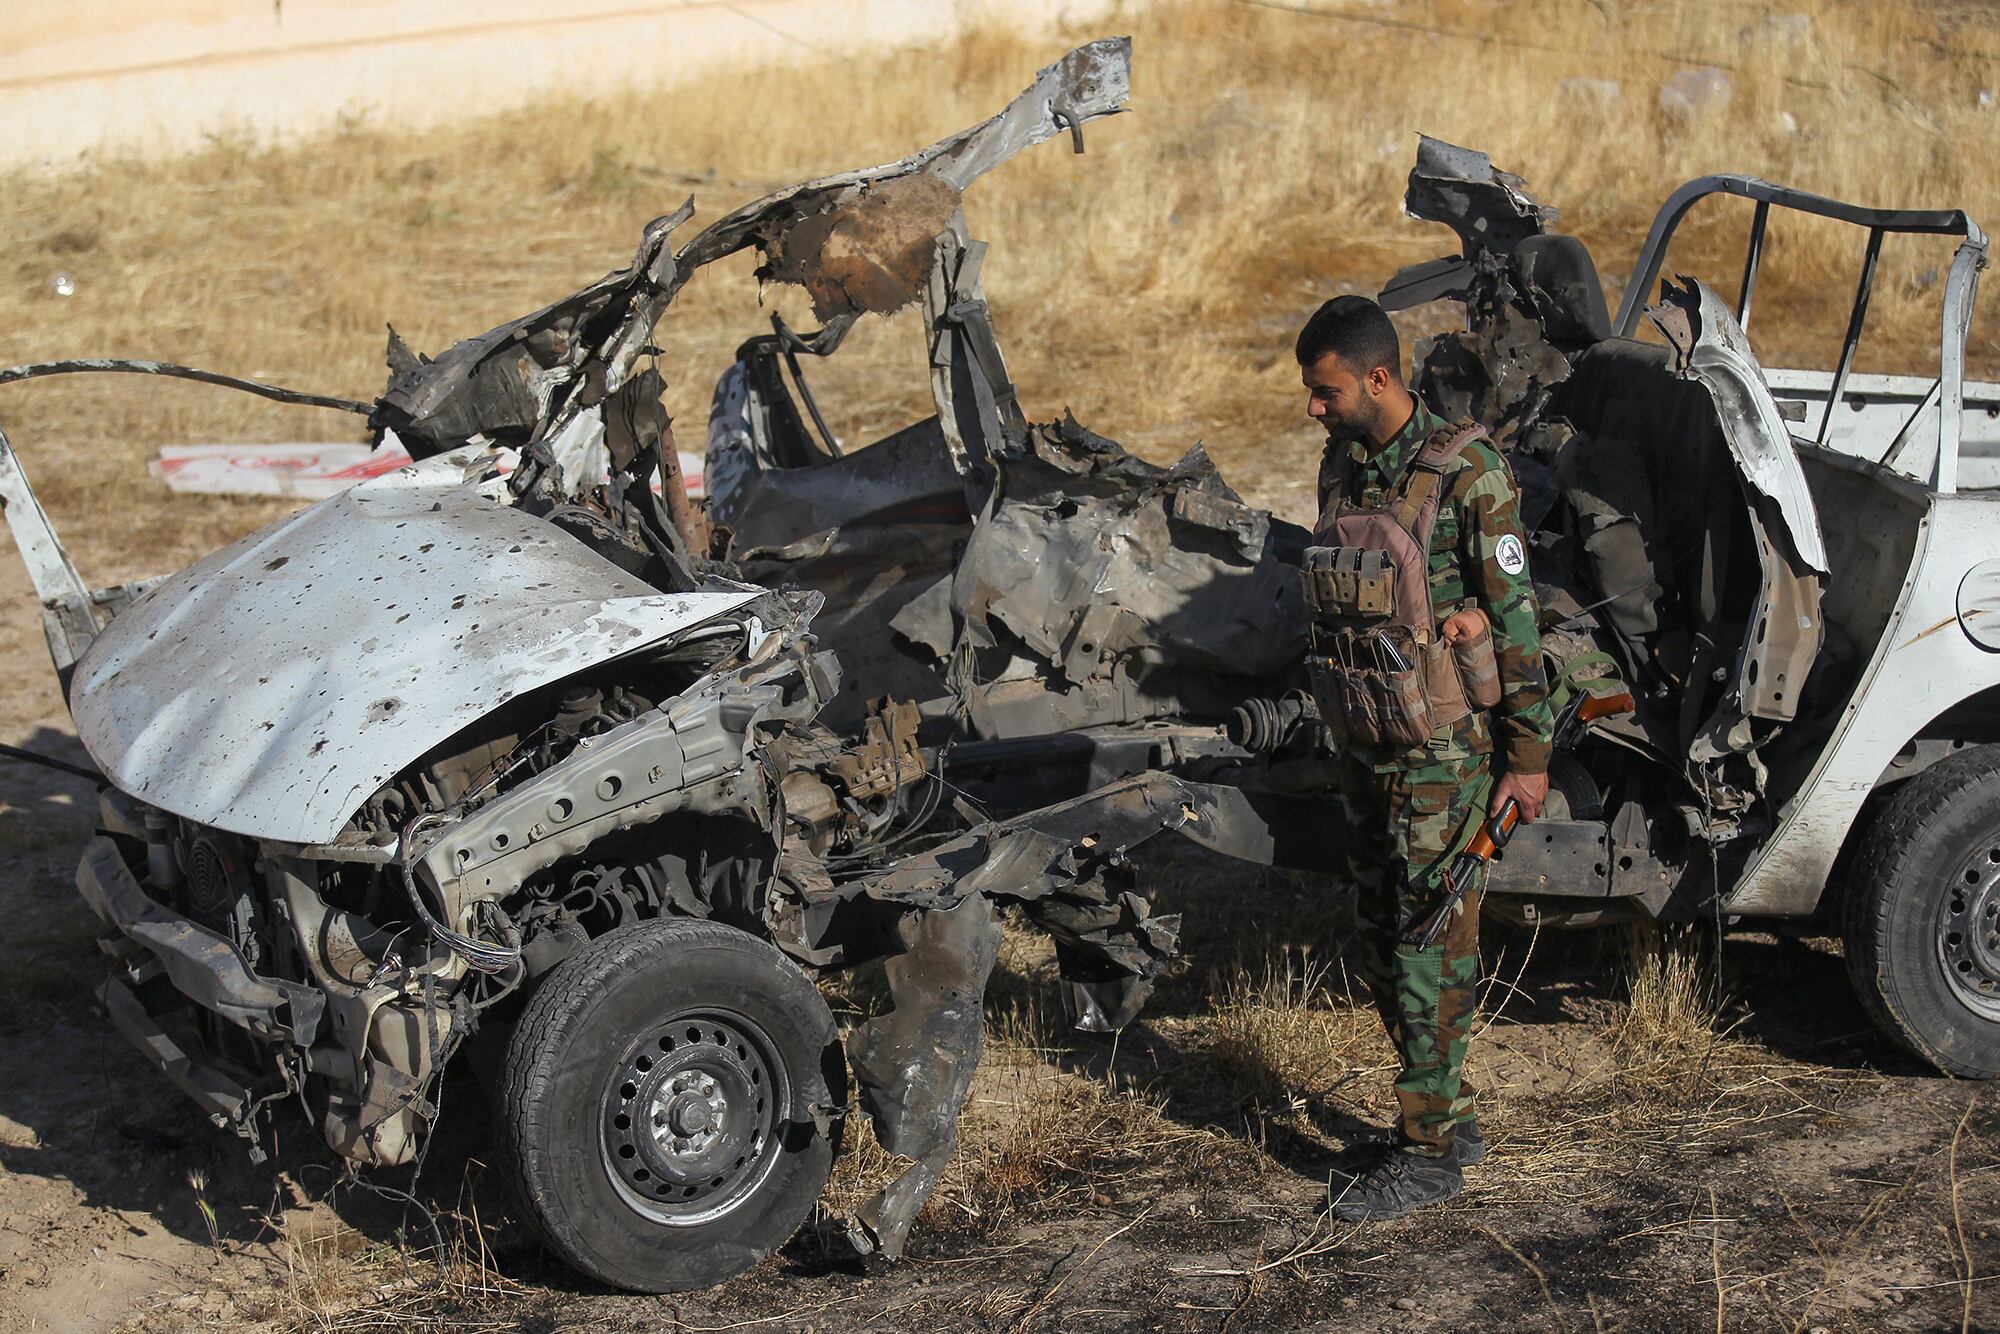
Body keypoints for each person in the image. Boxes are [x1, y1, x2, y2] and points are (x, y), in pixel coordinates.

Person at [1293, 295, 1553, 1221]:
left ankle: (1428, 1150)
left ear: (1376, 377)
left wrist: (1526, 759)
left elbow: (1518, 625)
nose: (1314, 409)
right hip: (1367, 741)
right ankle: (1444, 1111)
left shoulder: (1470, 472)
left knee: (1429, 945)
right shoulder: (1344, 465)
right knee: (1380, 930)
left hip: (1444, 758)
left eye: (1325, 392)